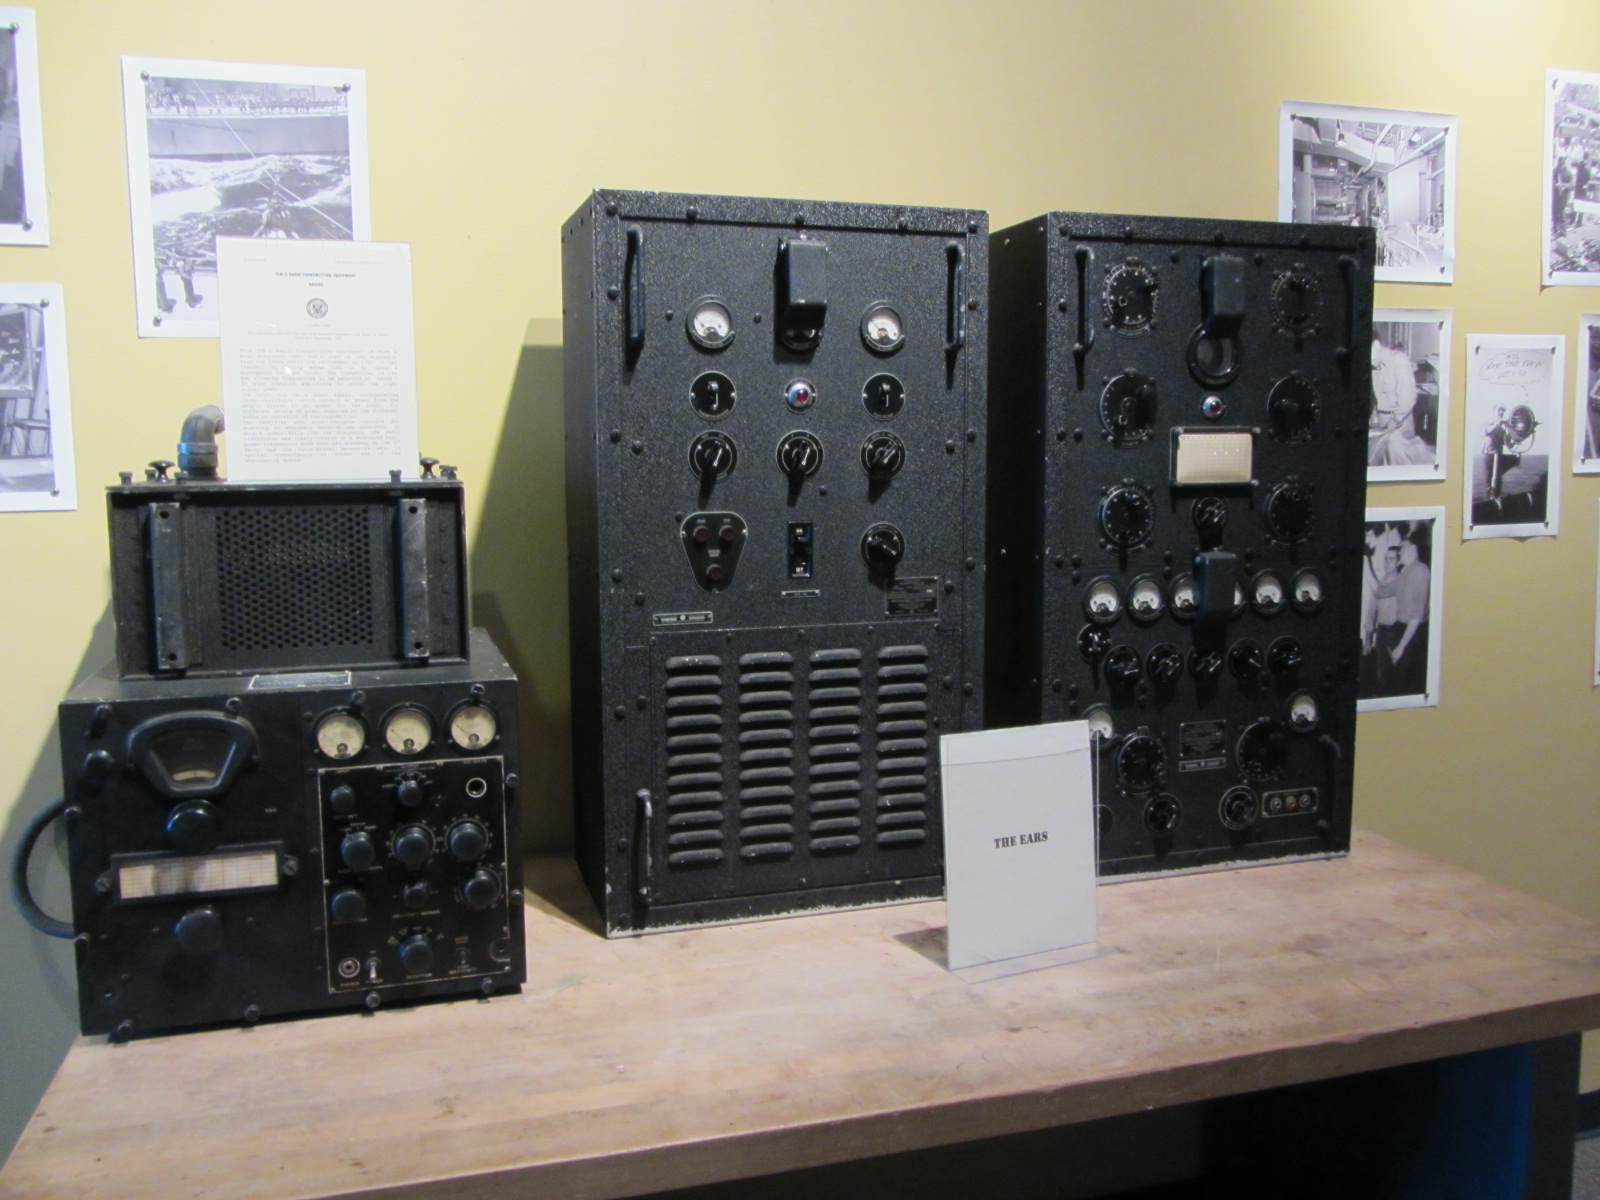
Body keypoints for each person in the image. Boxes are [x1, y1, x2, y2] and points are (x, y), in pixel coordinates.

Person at [1369, 334, 1431, 467]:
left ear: (1376, 344)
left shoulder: (1399, 360)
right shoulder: (1373, 367)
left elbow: (1407, 400)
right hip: (1382, 429)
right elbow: (1376, 401)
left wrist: (1391, 424)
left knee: (1392, 449)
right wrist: (1374, 420)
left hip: (1399, 428)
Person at [1389, 531, 1431, 697]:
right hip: (1401, 630)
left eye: (1402, 548)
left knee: (1405, 685)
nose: (1399, 552)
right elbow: (1385, 593)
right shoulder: (1404, 572)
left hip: (1412, 635)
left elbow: (1417, 616)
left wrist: (1401, 647)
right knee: (1395, 682)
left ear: (1413, 549)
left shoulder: (1421, 571)